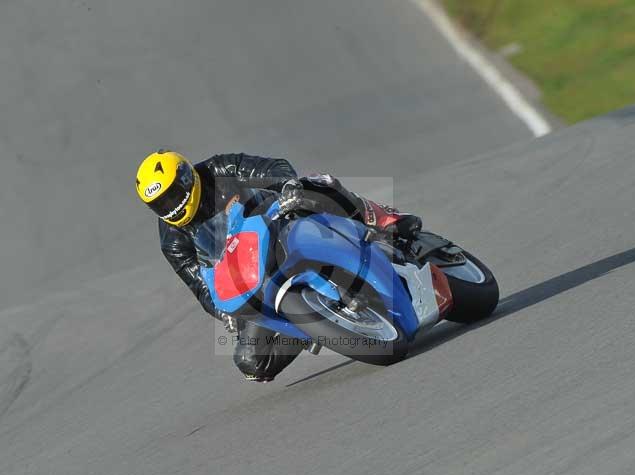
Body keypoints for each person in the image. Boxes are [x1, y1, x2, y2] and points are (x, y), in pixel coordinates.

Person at [135, 151, 421, 382]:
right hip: (251, 275)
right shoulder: (172, 241)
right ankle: (313, 325)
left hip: (280, 225)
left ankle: (378, 218)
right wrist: (223, 312)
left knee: (319, 183)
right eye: (160, 204)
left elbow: (271, 167)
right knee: (251, 363)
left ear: (187, 178)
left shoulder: (218, 169)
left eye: (172, 195)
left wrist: (286, 186)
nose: (170, 207)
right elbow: (200, 285)